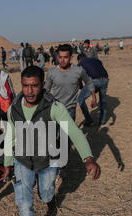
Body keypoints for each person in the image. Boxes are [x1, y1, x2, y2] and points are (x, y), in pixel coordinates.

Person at [2, 66, 101, 216]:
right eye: (25, 86)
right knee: (24, 200)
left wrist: (88, 158)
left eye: (35, 86)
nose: (30, 91)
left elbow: (74, 131)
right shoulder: (14, 108)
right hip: (22, 160)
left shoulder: (54, 107)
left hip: (48, 161)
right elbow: (10, 136)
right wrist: (7, 163)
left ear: (43, 85)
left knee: (46, 194)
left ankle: (49, 198)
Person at [44, 44, 96, 178]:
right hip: (54, 110)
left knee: (64, 140)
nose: (62, 60)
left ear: (71, 57)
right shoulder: (51, 73)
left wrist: (94, 97)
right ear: (57, 57)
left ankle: (62, 166)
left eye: (66, 57)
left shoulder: (79, 71)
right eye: (60, 57)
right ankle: (52, 163)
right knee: (52, 139)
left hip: (69, 110)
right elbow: (45, 91)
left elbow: (89, 82)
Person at [77, 54, 110, 126]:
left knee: (80, 99)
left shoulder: (81, 63)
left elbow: (78, 76)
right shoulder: (96, 60)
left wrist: (81, 86)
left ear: (79, 59)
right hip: (105, 79)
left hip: (94, 81)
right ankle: (102, 121)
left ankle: (89, 120)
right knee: (103, 101)